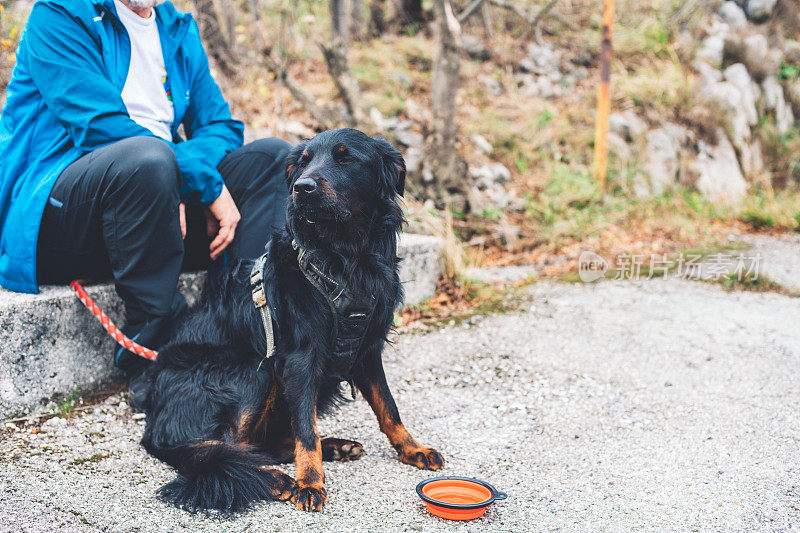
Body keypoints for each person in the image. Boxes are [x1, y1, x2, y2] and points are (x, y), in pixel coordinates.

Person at [0, 0, 290, 377]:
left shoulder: (176, 28)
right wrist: (194, 180)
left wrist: (182, 179)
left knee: (273, 157)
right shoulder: (59, 14)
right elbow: (99, 126)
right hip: (57, 217)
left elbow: (221, 126)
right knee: (148, 159)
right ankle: (156, 360)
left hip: (154, 214)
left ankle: (236, 331)